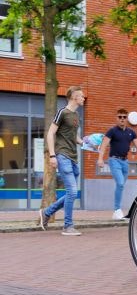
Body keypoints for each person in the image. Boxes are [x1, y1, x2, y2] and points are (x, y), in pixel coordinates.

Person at [38, 86, 86, 236]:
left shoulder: (76, 115)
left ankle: (47, 212)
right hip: (62, 155)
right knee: (72, 191)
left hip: (73, 157)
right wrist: (52, 155)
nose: (83, 98)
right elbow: (50, 133)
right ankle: (67, 226)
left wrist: (86, 143)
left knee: (71, 193)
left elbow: (74, 137)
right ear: (74, 97)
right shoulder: (62, 112)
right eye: (81, 96)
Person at [97, 109, 137, 220]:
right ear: (116, 118)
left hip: (125, 162)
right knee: (120, 183)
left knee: (121, 185)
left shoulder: (131, 132)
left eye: (124, 117)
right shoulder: (112, 131)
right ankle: (117, 210)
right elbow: (104, 144)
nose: (122, 119)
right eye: (120, 117)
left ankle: (117, 210)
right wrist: (100, 159)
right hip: (114, 160)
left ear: (127, 119)